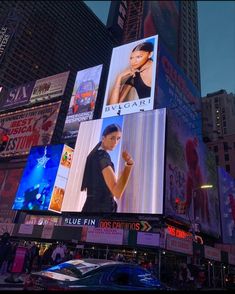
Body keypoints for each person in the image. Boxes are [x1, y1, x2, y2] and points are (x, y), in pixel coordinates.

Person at [81, 124, 134, 213]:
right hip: (102, 210)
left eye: (118, 139)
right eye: (112, 138)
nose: (115, 142)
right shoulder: (103, 156)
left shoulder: (94, 155)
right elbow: (117, 192)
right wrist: (129, 164)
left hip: (90, 208)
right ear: (103, 138)